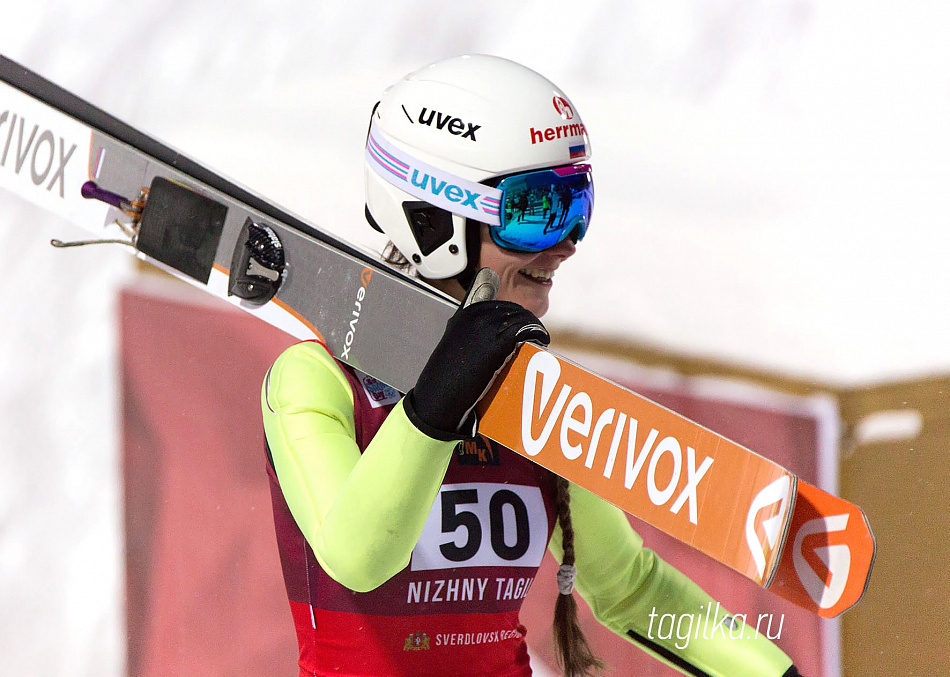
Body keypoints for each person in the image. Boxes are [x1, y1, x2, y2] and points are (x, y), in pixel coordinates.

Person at [262, 54, 803, 677]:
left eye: (577, 206)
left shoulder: (529, 394)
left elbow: (630, 588)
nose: (566, 243)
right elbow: (357, 557)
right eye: (535, 211)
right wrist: (438, 403)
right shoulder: (314, 380)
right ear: (431, 220)